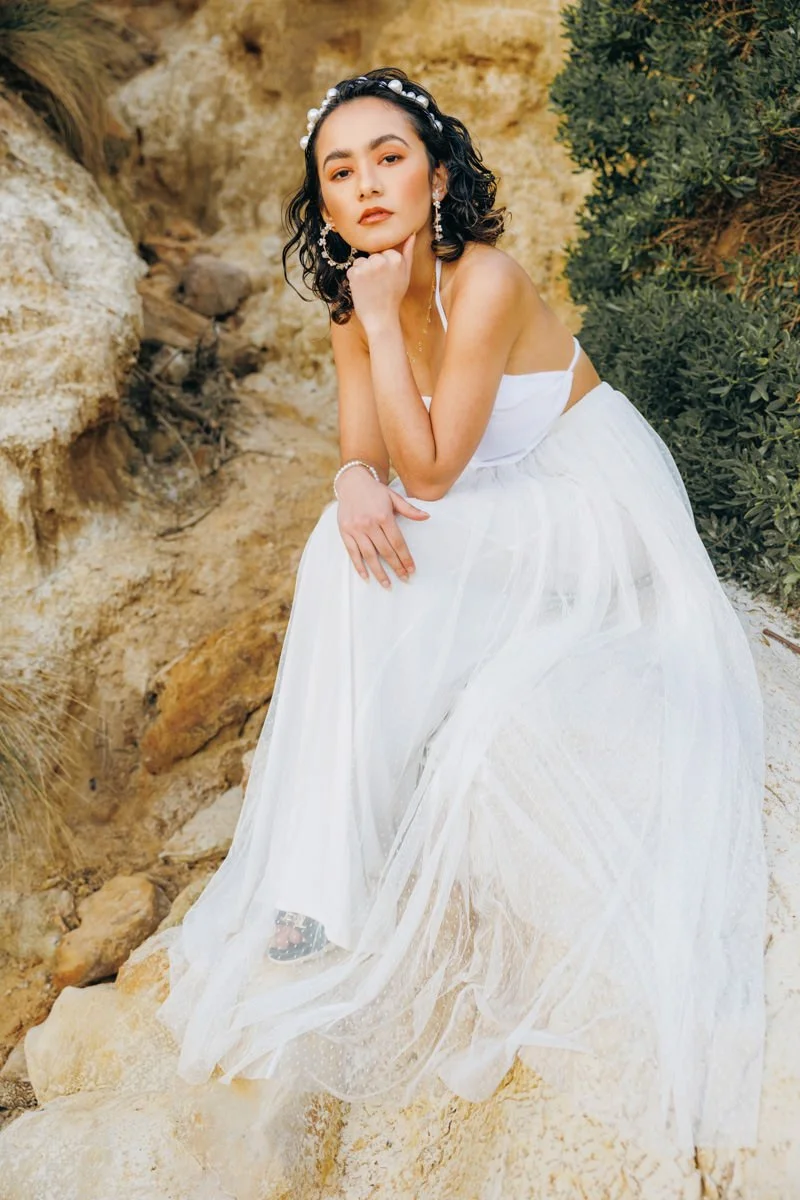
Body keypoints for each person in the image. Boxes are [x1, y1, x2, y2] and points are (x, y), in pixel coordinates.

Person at [155, 67, 767, 1155]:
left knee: (367, 545)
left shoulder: (485, 281)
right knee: (345, 542)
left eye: (388, 158)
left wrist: (382, 336)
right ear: (323, 201)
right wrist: (351, 473)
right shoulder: (356, 305)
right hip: (498, 505)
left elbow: (431, 471)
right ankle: (318, 882)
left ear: (436, 179)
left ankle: (326, 880)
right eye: (339, 171)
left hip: (592, 505)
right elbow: (370, 454)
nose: (365, 184)